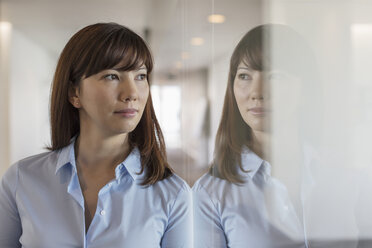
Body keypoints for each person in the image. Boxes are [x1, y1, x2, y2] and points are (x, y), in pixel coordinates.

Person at [0, 23, 191, 248]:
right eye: (112, 76)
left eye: (140, 76)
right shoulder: (21, 180)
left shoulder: (173, 194)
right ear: (74, 92)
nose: (131, 94)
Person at [192, 24, 313, 248]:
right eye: (245, 76)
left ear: (306, 89)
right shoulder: (210, 192)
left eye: (275, 76)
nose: (257, 92)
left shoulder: (344, 176)